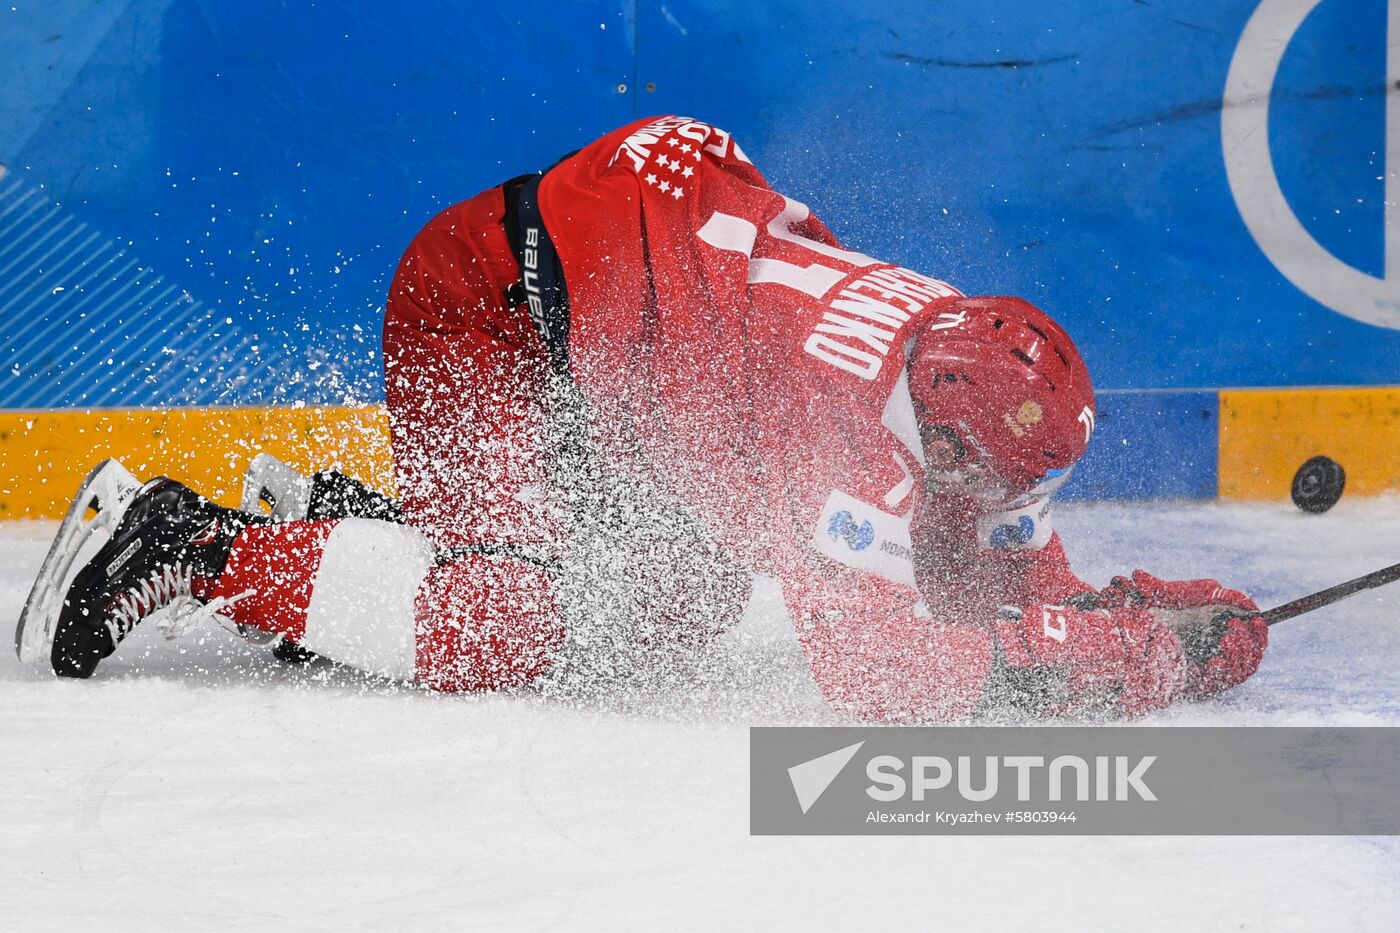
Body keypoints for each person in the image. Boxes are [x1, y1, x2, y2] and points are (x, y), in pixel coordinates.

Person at [15, 115, 1268, 721]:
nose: (992, 507)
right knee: (503, 627)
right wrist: (1114, 657)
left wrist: (1135, 611)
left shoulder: (947, 355)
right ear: (935, 432)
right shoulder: (841, 427)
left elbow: (985, 566)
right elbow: (890, 680)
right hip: (485, 318)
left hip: (588, 349)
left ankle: (350, 533)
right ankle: (178, 540)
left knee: (667, 607)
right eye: (971, 479)